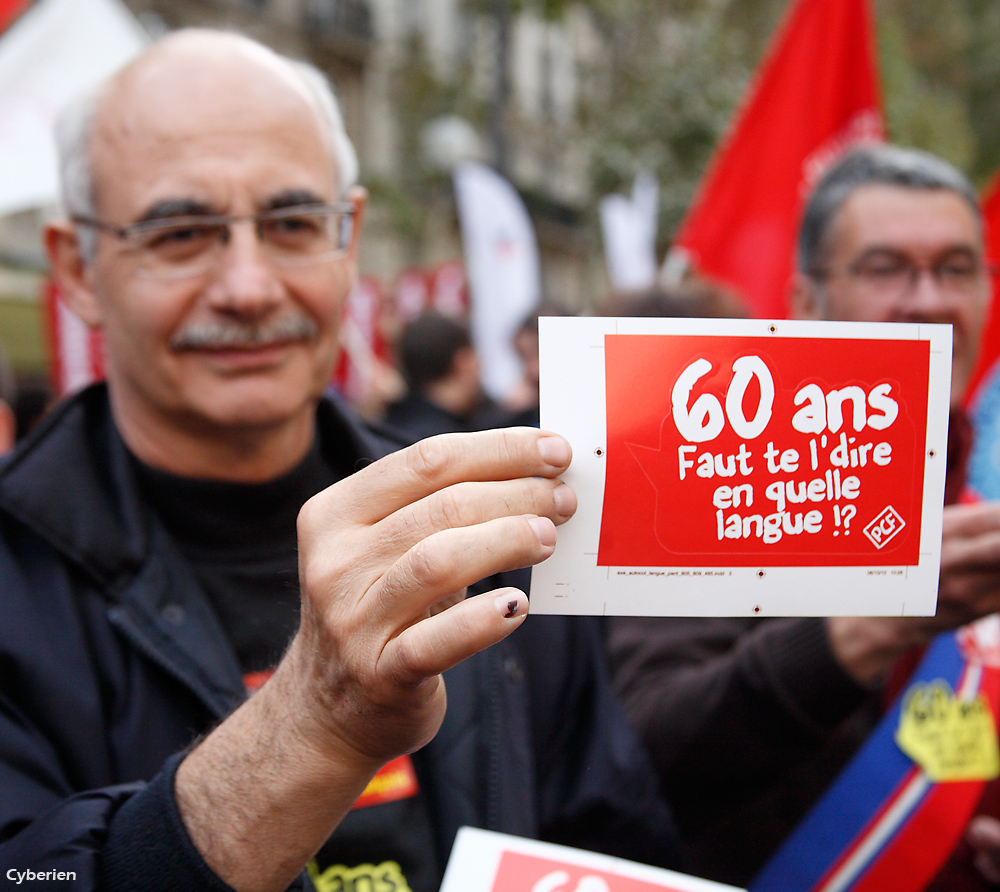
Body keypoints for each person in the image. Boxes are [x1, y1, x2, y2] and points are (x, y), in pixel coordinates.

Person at [0, 29, 682, 892]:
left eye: (292, 224)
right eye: (180, 233)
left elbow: (613, 845)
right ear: (78, 268)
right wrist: (314, 725)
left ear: (349, 237)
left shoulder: (495, 526)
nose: (248, 287)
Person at [608, 144, 1000, 890]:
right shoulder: (714, 483)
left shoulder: (982, 497)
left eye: (955, 269)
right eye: (886, 269)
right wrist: (860, 630)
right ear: (806, 304)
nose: (929, 301)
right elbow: (639, 757)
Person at [382, 311, 507, 440]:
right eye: (474, 355)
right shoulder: (462, 443)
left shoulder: (386, 432)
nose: (480, 364)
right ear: (463, 363)